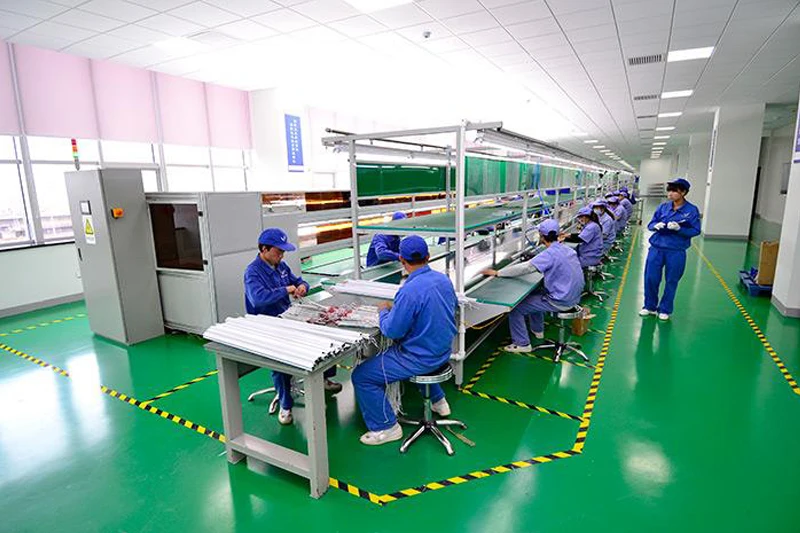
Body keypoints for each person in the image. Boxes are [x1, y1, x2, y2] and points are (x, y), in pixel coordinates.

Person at [352, 235, 458, 445]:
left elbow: (392, 331)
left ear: (401, 259)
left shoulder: (408, 291)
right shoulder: (443, 280)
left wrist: (384, 311)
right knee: (420, 346)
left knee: (362, 376)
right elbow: (446, 307)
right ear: (428, 256)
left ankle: (386, 427)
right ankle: (439, 401)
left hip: (419, 358)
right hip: (443, 351)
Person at [244, 228, 341, 426]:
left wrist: (303, 286)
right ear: (264, 249)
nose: (282, 255)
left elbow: (298, 280)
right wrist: (285, 290)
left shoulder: (281, 266)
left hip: (288, 317)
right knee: (282, 359)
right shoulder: (252, 272)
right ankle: (286, 404)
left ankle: (325, 378)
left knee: (325, 335)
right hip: (266, 324)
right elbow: (258, 299)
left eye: (283, 251)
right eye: (278, 251)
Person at [483, 219, 584, 352]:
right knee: (535, 294)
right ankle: (538, 331)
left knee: (516, 309)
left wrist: (498, 273)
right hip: (574, 297)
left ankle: (522, 344)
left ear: (542, 236)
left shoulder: (549, 254)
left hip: (561, 301)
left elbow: (526, 268)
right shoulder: (566, 249)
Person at [640, 178, 701, 321]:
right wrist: (655, 226)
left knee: (672, 280)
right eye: (669, 191)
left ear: (683, 192)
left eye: (674, 191)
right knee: (650, 278)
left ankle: (665, 309)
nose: (670, 194)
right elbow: (651, 223)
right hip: (657, 247)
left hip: (676, 250)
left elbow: (696, 230)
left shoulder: (691, 210)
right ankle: (649, 306)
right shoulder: (663, 207)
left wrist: (680, 229)